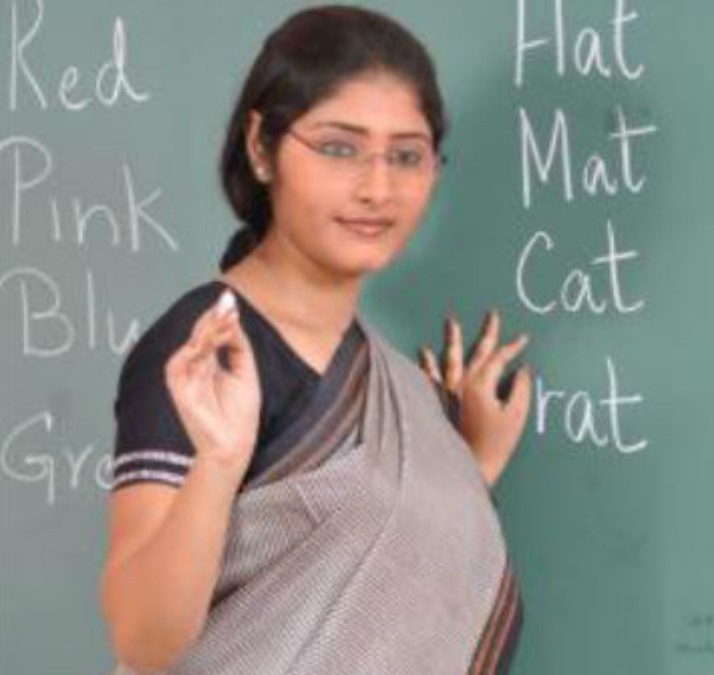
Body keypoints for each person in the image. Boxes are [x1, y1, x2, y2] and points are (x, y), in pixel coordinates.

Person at [97, 6, 531, 674]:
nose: (377, 188)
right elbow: (143, 639)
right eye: (338, 147)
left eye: (407, 156)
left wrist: (466, 472)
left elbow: (371, 570)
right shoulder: (208, 348)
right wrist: (218, 461)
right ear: (261, 147)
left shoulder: (402, 392)